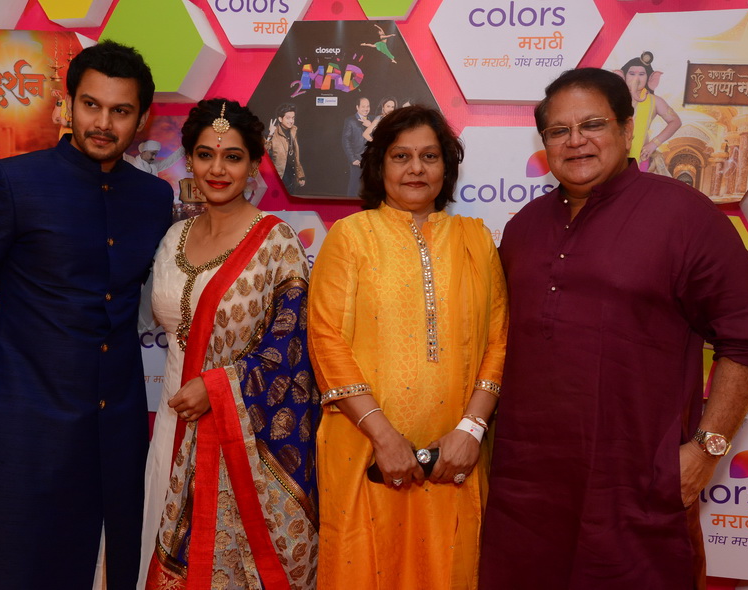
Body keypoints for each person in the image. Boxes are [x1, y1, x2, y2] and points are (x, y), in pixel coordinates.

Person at [479, 67, 748, 589]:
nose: (576, 141)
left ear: (626, 127)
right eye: (559, 131)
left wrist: (705, 450)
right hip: (526, 492)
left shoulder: (684, 215)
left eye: (592, 124)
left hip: (637, 490)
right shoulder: (524, 228)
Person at [0, 41, 174, 589]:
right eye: (91, 105)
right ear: (67, 103)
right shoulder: (13, 183)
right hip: (25, 427)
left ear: (141, 120)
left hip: (117, 432)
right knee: (2, 570)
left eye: (121, 111)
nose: (103, 123)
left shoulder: (154, 199)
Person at [309, 105, 508, 589]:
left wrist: (471, 430)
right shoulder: (350, 236)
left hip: (455, 457)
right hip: (365, 451)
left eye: (429, 156)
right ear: (380, 166)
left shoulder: (476, 240)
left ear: (446, 167)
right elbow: (327, 341)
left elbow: (498, 343)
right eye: (401, 156)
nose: (416, 168)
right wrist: (385, 438)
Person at [140, 99, 319, 589]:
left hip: (238, 432)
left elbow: (291, 350)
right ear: (189, 160)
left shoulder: (277, 243)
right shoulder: (172, 237)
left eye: (233, 157)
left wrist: (218, 387)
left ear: (255, 163)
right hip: (171, 421)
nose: (217, 170)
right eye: (205, 155)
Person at [616, 52, 680, 171]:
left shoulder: (654, 101)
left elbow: (675, 122)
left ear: (650, 78)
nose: (636, 78)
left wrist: (654, 144)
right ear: (622, 76)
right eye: (632, 73)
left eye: (641, 74)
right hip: (613, 155)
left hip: (640, 157)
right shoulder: (612, 98)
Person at [266, 102, 306, 193]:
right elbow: (263, 154)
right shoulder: (273, 133)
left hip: (292, 177)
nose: (291, 121)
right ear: (280, 119)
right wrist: (270, 134)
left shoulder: (293, 131)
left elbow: (295, 156)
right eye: (288, 118)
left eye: (293, 118)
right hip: (278, 178)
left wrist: (300, 176)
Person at [341, 96, 370, 196]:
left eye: (368, 106)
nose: (366, 109)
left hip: (369, 160)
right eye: (363, 106)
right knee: (354, 187)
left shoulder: (372, 119)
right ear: (357, 107)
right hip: (357, 160)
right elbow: (345, 141)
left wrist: (370, 125)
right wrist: (352, 159)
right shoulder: (350, 120)